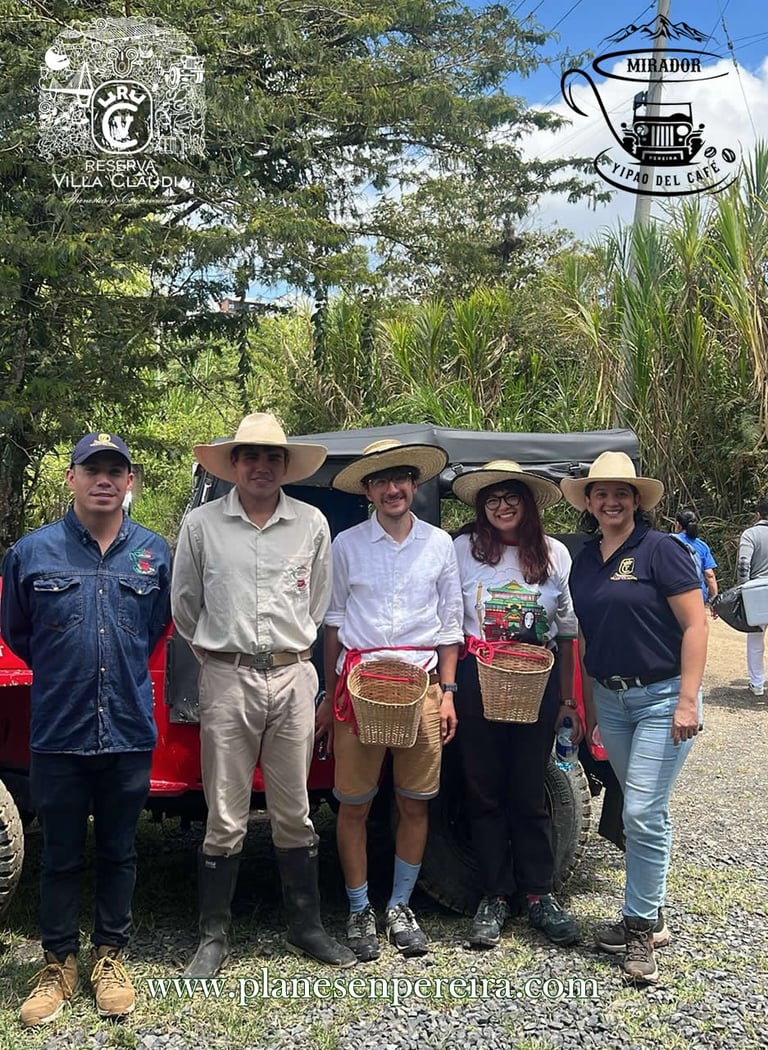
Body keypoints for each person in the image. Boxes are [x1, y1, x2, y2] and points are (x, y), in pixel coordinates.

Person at [171, 413, 355, 977]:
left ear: (284, 466)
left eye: (271, 457)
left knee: (294, 809)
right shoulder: (202, 526)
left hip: (294, 675)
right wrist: (220, 660)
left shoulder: (312, 523)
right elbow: (184, 605)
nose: (260, 466)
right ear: (232, 464)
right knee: (224, 812)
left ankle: (306, 927)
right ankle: (213, 935)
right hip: (226, 678)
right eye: (249, 456)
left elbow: (318, 602)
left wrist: (289, 663)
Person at [0, 432, 171, 1026]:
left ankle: (110, 957)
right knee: (61, 855)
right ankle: (57, 963)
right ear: (71, 479)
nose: (104, 480)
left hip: (127, 728)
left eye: (115, 471)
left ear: (129, 483)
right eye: (91, 469)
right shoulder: (31, 554)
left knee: (121, 851)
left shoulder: (154, 554)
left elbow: (154, 628)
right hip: (59, 730)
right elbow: (19, 635)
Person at [315, 439, 463, 962]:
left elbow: (450, 625)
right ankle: (359, 908)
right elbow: (333, 623)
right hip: (359, 686)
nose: (393, 489)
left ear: (414, 485)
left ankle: (399, 906)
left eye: (401, 478)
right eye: (381, 481)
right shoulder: (346, 545)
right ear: (368, 490)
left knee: (413, 802)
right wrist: (326, 697)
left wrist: (446, 692)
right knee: (353, 805)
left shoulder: (440, 545)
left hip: (422, 685)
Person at [562, 451, 707, 984]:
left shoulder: (660, 550)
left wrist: (689, 699)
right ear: (590, 503)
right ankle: (655, 911)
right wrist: (594, 708)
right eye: (601, 493)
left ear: (637, 499)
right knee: (648, 809)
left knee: (641, 811)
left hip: (662, 698)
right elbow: (589, 636)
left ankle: (640, 928)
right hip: (613, 702)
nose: (611, 500)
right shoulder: (586, 558)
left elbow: (696, 624)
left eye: (621, 492)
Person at [451, 460, 582, 950]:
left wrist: (568, 698)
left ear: (528, 504)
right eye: (492, 499)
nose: (502, 506)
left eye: (511, 497)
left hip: (537, 681)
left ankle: (539, 894)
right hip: (476, 676)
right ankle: (494, 896)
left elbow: (566, 632)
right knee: (482, 790)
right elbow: (449, 619)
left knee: (529, 789)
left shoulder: (555, 555)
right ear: (481, 508)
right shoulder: (462, 550)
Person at [737, 496, 768, 697]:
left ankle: (757, 684)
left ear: (758, 514)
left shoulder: (750, 534)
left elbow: (743, 564)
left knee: (755, 640)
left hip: (758, 591)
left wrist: (742, 589)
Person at [673, 509, 718, 608]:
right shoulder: (702, 546)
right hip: (697, 595)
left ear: (678, 525)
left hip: (674, 593)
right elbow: (709, 575)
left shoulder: (669, 541)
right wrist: (714, 600)